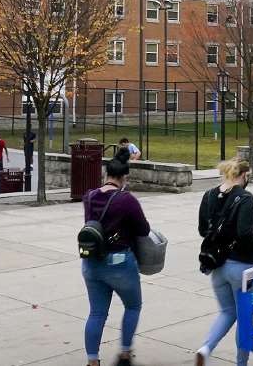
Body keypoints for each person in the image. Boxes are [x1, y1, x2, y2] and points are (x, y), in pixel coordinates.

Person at [195, 158, 253, 366]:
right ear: (243, 175)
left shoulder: (208, 195)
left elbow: (202, 230)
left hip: (217, 265)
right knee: (244, 317)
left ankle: (205, 349)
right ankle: (241, 363)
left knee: (227, 311)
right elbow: (245, 234)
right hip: (242, 266)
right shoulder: (246, 198)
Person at [81, 149, 149, 366]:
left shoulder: (89, 196)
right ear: (123, 178)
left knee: (97, 313)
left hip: (91, 263)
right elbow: (143, 229)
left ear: (106, 174)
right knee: (133, 306)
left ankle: (92, 361)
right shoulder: (126, 200)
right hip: (119, 262)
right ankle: (125, 354)